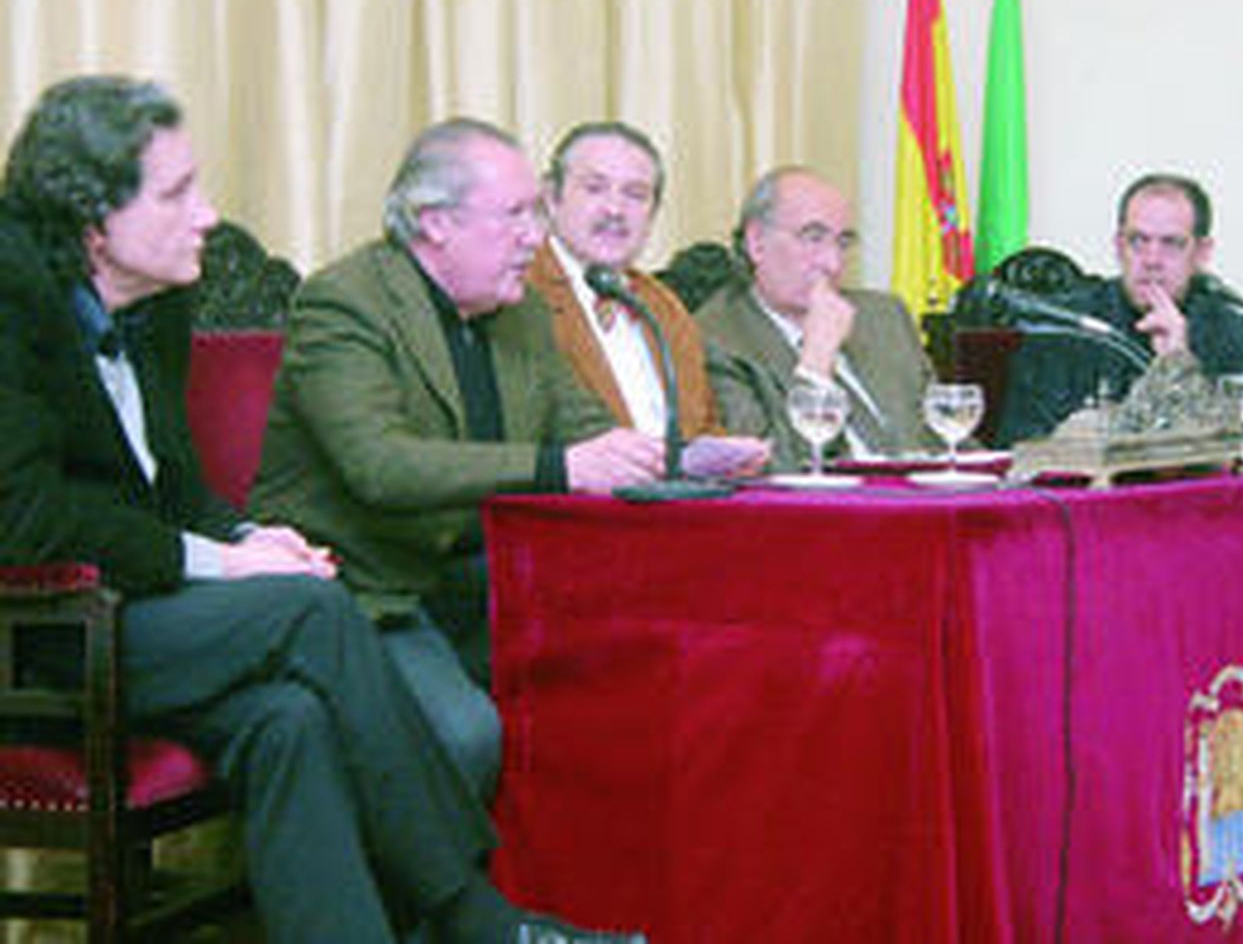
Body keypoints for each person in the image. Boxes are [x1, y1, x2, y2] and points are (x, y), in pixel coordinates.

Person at [0, 76, 641, 943]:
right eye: (178, 193)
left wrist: (250, 533)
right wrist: (226, 563)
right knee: (311, 607)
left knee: (288, 720)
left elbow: (171, 488)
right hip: (45, 630)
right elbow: (27, 520)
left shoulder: (158, 304)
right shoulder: (10, 297)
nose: (208, 214)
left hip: (144, 607)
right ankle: (477, 917)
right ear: (93, 220)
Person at [252, 118, 664, 804]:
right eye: (515, 214)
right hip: (366, 590)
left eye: (536, 214)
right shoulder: (346, 300)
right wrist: (558, 469)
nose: (534, 237)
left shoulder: (521, 312)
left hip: (490, 581)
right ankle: (438, 882)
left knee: (627, 693)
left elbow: (588, 435)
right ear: (435, 222)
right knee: (464, 736)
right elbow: (378, 464)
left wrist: (673, 458)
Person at [695, 166, 940, 472]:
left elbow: (946, 437)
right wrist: (816, 363)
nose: (832, 263)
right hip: (831, 503)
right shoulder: (716, 339)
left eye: (843, 242)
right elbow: (773, 469)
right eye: (813, 238)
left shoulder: (884, 316)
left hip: (924, 495)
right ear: (756, 242)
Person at [995, 173, 1243, 445]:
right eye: (1138, 241)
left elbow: (1238, 445)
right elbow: (1020, 443)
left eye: (1171, 243)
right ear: (1119, 246)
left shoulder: (1230, 331)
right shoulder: (1062, 327)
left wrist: (1178, 361)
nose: (1152, 260)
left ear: (1202, 253)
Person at [526, 121, 721, 441]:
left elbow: (704, 423)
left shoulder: (662, 305)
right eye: (595, 188)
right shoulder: (522, 291)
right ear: (550, 197)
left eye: (635, 195)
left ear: (653, 213)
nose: (615, 209)